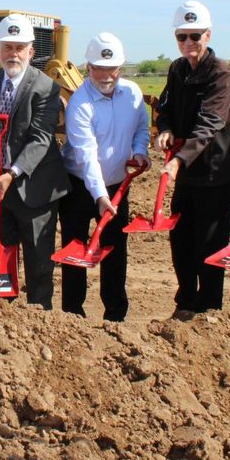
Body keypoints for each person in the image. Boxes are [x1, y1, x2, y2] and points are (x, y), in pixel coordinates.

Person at [0, 14, 69, 309]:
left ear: (31, 52)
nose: (13, 54)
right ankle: (5, 317)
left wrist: (12, 172)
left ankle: (39, 316)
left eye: (20, 48)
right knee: (1, 255)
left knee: (38, 262)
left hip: (33, 187)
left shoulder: (45, 87)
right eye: (8, 47)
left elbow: (41, 139)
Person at [154, 1, 230, 318]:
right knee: (182, 241)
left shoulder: (221, 74)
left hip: (214, 174)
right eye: (182, 36)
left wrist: (178, 159)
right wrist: (165, 129)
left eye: (195, 36)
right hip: (186, 175)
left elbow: (209, 124)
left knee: (210, 244)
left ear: (208, 34)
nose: (189, 43)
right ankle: (186, 301)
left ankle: (210, 308)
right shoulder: (177, 69)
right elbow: (166, 107)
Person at [59, 33, 150, 321]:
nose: (106, 75)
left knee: (115, 250)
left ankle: (115, 313)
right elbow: (87, 155)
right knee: (74, 248)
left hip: (117, 185)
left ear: (120, 68)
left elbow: (141, 129)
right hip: (78, 186)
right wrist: (100, 196)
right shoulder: (80, 104)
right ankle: (73, 312)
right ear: (88, 68)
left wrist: (139, 152)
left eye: (112, 68)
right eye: (99, 68)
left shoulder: (133, 94)